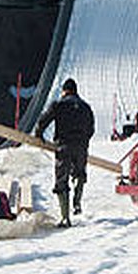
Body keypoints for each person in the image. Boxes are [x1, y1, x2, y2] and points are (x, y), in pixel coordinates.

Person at [35, 77, 95, 227]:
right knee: (79, 174)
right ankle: (77, 202)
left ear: (64, 91)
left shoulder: (59, 105)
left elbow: (43, 120)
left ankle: (65, 218)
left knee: (61, 180)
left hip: (64, 146)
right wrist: (84, 141)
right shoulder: (86, 107)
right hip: (81, 147)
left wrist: (39, 134)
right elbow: (91, 129)